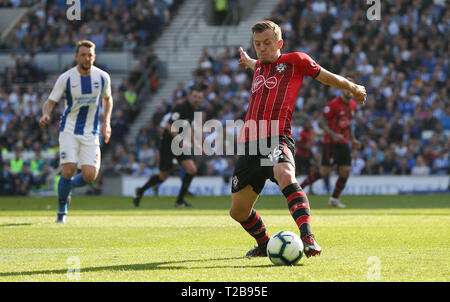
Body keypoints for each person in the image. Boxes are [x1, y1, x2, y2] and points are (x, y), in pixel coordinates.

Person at [233, 20, 366, 258]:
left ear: (279, 44)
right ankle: (265, 244)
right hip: (251, 144)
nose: (261, 48)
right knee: (238, 211)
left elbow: (327, 77)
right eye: (257, 44)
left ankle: (308, 238)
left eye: (267, 43)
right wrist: (250, 62)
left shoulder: (295, 62)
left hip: (277, 137)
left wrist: (353, 87)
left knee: (285, 175)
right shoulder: (260, 66)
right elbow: (258, 63)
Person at [39, 40, 113, 223]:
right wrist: (46, 114)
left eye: (90, 55)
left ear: (94, 57)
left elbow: (108, 99)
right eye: (83, 55)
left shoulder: (103, 77)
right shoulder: (67, 78)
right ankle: (61, 212)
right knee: (68, 169)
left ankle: (68, 187)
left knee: (90, 175)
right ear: (76, 57)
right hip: (69, 129)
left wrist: (107, 122)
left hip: (91, 131)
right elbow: (50, 102)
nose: (87, 58)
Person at [133, 85, 205, 208]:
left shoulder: (194, 110)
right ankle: (141, 190)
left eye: (199, 97)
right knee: (163, 176)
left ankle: (180, 201)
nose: (196, 99)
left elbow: (189, 129)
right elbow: (169, 126)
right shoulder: (181, 107)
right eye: (195, 96)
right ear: (190, 96)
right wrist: (181, 140)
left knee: (192, 170)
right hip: (168, 143)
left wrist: (198, 144)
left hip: (179, 143)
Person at [300, 78, 361, 208]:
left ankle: (334, 199)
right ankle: (300, 187)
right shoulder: (333, 104)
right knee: (323, 172)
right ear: (341, 89)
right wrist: (333, 134)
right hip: (331, 143)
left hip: (344, 143)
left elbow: (349, 123)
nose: (349, 90)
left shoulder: (353, 106)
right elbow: (321, 121)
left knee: (346, 171)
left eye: (351, 87)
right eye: (346, 87)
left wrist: (353, 138)